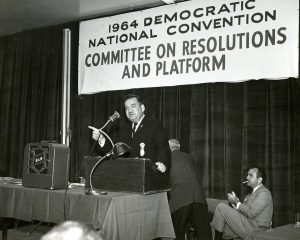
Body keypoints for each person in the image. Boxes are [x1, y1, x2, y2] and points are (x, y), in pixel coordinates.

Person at [91, 94, 170, 173]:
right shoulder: (124, 130)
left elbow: (162, 148)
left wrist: (161, 163)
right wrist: (102, 139)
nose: (130, 110)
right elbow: (115, 150)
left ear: (142, 108)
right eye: (126, 108)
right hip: (128, 176)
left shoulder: (154, 125)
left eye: (133, 106)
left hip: (150, 175)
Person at [211, 166, 273, 240]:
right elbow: (244, 212)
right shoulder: (250, 195)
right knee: (218, 224)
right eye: (247, 175)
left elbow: (251, 213)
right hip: (248, 225)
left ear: (259, 179)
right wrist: (234, 203)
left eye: (250, 175)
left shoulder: (264, 193)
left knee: (221, 207)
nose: (247, 177)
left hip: (256, 229)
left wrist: (236, 202)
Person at [168, 139, 211, 240]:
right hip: (199, 198)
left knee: (178, 234)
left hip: (180, 199)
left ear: (168, 148)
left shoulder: (167, 158)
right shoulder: (189, 157)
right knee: (204, 234)